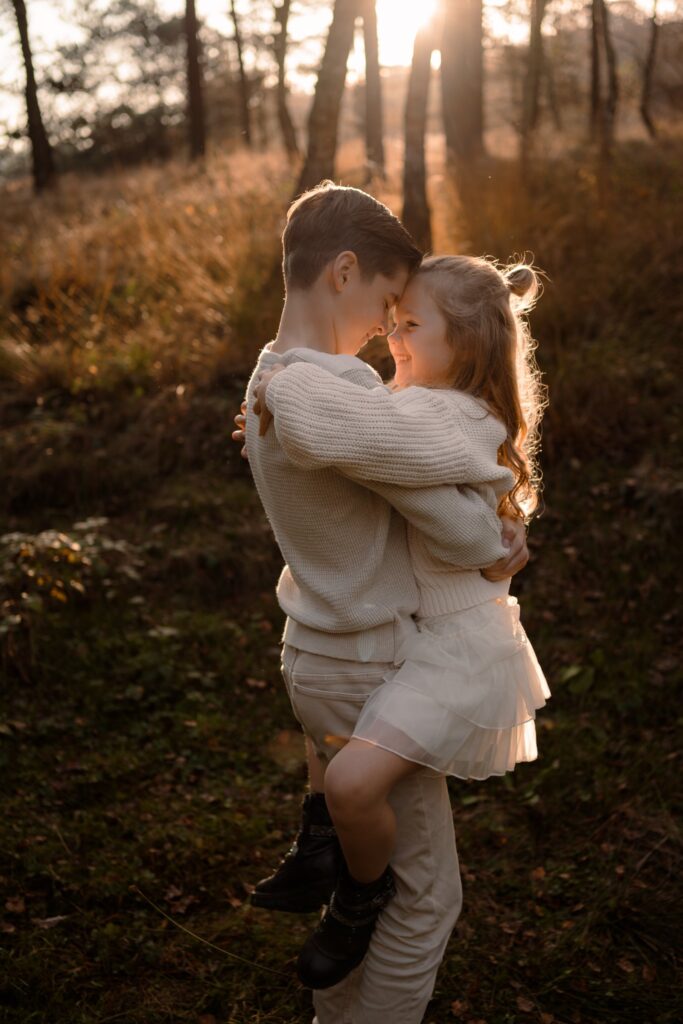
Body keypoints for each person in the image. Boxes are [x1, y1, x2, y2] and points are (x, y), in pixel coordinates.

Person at [236, 182, 528, 1024]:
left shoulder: (270, 373)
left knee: (380, 884)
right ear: (344, 269)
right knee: (423, 897)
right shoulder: (334, 397)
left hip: (315, 656)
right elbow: (452, 526)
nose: (384, 325)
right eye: (384, 301)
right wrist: (497, 538)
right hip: (367, 661)